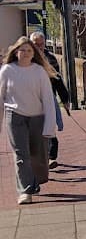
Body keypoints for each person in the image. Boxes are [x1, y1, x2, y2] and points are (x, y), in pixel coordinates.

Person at [0, 36, 57, 204]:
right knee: (21, 154)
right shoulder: (7, 70)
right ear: (16, 52)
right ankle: (25, 191)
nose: (25, 53)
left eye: (29, 50)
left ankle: (33, 182)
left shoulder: (39, 72)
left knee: (38, 156)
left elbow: (48, 100)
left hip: (37, 118)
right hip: (14, 116)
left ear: (34, 54)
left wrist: (49, 127)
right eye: (22, 50)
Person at [29, 31, 71, 167]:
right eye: (36, 44)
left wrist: (65, 100)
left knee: (49, 126)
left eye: (41, 44)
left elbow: (58, 80)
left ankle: (51, 157)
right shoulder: (25, 58)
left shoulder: (50, 58)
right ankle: (39, 157)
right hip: (30, 101)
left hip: (48, 99)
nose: (39, 47)